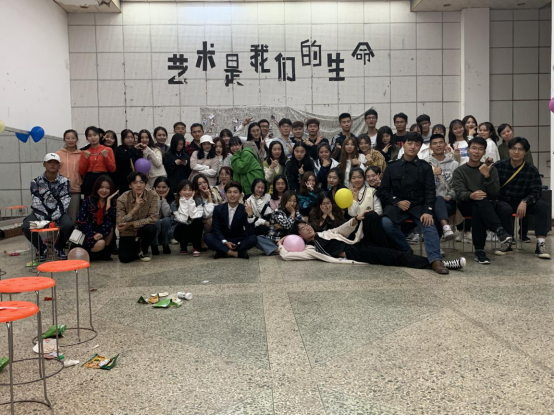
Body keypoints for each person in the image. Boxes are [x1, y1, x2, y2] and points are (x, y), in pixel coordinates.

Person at [379, 132, 450, 275]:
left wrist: (428, 211)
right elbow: (383, 191)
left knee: (429, 223)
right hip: (399, 205)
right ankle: (406, 250)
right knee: (386, 223)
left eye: (417, 144)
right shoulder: (392, 166)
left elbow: (430, 192)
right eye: (410, 143)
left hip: (419, 205)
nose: (413, 147)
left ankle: (435, 260)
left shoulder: (425, 167)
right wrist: (397, 201)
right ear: (403, 145)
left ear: (420, 147)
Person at [278, 219, 466, 272]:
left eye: (307, 225)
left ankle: (432, 261)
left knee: (372, 217)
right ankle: (438, 263)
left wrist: (356, 219)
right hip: (354, 254)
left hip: (358, 246)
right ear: (299, 236)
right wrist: (282, 242)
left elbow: (341, 229)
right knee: (394, 257)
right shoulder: (310, 249)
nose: (307, 228)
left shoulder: (324, 233)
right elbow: (287, 255)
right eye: (303, 229)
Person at [452, 137, 513, 265]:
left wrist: (487, 176)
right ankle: (499, 230)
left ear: (484, 152)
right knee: (479, 203)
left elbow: (495, 192)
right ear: (468, 150)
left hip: (486, 204)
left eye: (480, 149)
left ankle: (479, 251)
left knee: (483, 206)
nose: (476, 152)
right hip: (466, 203)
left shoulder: (491, 169)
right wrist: (471, 195)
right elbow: (459, 193)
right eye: (474, 148)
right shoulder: (459, 171)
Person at [493, 137, 550, 259]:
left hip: (523, 202)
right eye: (514, 148)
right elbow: (491, 187)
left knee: (542, 205)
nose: (516, 152)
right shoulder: (499, 166)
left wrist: (525, 201)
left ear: (525, 152)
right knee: (504, 208)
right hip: (504, 201)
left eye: (520, 149)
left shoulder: (531, 170)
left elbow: (536, 192)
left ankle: (540, 244)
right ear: (509, 150)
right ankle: (507, 242)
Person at [22, 153, 73, 261]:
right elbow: (36, 201)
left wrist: (54, 217)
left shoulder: (65, 181)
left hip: (58, 212)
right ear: (44, 164)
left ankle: (59, 247)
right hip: (39, 212)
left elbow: (65, 200)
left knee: (68, 225)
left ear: (59, 165)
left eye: (55, 163)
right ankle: (41, 249)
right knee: (26, 226)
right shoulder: (36, 181)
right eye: (50, 162)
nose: (53, 165)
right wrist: (44, 218)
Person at [204, 182, 258, 259]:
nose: (232, 195)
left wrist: (250, 216)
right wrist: (225, 241)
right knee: (208, 237)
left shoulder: (244, 209)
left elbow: (250, 232)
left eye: (235, 192)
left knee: (254, 238)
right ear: (226, 194)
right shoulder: (218, 209)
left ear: (240, 195)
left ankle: (223, 252)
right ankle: (234, 253)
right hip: (222, 239)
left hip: (238, 239)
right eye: (229, 192)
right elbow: (216, 229)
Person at [116, 172, 159, 263]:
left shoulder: (153, 195)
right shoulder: (122, 199)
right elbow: (120, 222)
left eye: (141, 182)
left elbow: (154, 218)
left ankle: (144, 249)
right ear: (130, 185)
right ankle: (136, 247)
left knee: (151, 228)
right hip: (128, 231)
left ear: (145, 184)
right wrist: (134, 209)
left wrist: (131, 223)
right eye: (135, 182)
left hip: (143, 229)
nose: (139, 185)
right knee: (124, 258)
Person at [75, 175, 118, 261]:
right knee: (100, 243)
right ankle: (88, 254)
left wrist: (108, 207)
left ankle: (104, 254)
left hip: (103, 232)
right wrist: (93, 234)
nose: (104, 190)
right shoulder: (88, 201)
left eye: (107, 188)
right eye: (101, 187)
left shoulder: (112, 203)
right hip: (87, 233)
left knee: (110, 227)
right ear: (96, 187)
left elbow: (111, 222)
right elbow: (80, 221)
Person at [428, 134, 458, 240]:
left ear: (445, 145)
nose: (438, 145)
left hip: (449, 202)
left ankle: (436, 242)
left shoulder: (454, 164)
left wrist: (450, 196)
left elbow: (457, 185)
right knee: (437, 202)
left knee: (437, 208)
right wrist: (432, 174)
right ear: (430, 147)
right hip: (430, 202)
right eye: (435, 143)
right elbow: (421, 185)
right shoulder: (426, 164)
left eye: (441, 142)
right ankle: (445, 227)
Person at [348, 168, 388, 247]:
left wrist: (365, 216)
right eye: (354, 178)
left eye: (360, 177)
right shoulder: (348, 193)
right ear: (350, 180)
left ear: (364, 179)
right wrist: (355, 199)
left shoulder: (372, 191)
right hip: (356, 227)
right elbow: (352, 214)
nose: (357, 180)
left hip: (371, 225)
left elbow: (379, 211)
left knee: (371, 215)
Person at [257, 191, 304, 256]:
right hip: (275, 241)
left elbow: (301, 223)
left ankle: (280, 249)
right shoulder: (278, 212)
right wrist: (292, 214)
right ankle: (277, 250)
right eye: (289, 201)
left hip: (290, 240)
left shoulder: (296, 212)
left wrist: (283, 225)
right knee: (257, 239)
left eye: (295, 201)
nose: (292, 203)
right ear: (284, 201)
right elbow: (287, 226)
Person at [171, 180, 206, 256]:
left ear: (193, 191)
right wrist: (184, 202)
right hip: (181, 228)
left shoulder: (198, 200)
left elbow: (196, 216)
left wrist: (190, 201)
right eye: (184, 190)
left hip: (195, 228)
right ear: (179, 191)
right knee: (182, 225)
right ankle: (183, 246)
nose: (187, 192)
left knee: (198, 222)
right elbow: (182, 219)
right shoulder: (174, 203)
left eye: (190, 190)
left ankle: (196, 248)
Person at [79, 126, 116, 197]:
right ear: (87, 138)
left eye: (95, 135)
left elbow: (112, 169)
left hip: (103, 179)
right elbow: (81, 172)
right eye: (89, 136)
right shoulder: (84, 152)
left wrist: (106, 157)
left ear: (99, 136)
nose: (93, 138)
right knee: (90, 201)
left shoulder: (108, 150)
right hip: (89, 179)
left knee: (103, 201)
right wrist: (85, 159)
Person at [57, 129, 82, 222]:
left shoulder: (81, 154)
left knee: (73, 217)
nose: (70, 140)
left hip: (75, 190)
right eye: (68, 138)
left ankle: (72, 232)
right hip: (60, 190)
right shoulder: (58, 154)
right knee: (59, 217)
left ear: (77, 139)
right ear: (64, 139)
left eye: (73, 138)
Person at [151, 177, 175, 256]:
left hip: (166, 227)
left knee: (167, 220)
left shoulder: (172, 198)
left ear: (168, 188)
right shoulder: (149, 197)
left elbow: (166, 214)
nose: (161, 190)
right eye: (158, 187)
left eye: (164, 187)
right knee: (156, 221)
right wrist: (158, 199)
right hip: (154, 226)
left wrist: (163, 199)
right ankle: (154, 245)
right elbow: (155, 214)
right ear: (154, 188)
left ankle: (166, 244)